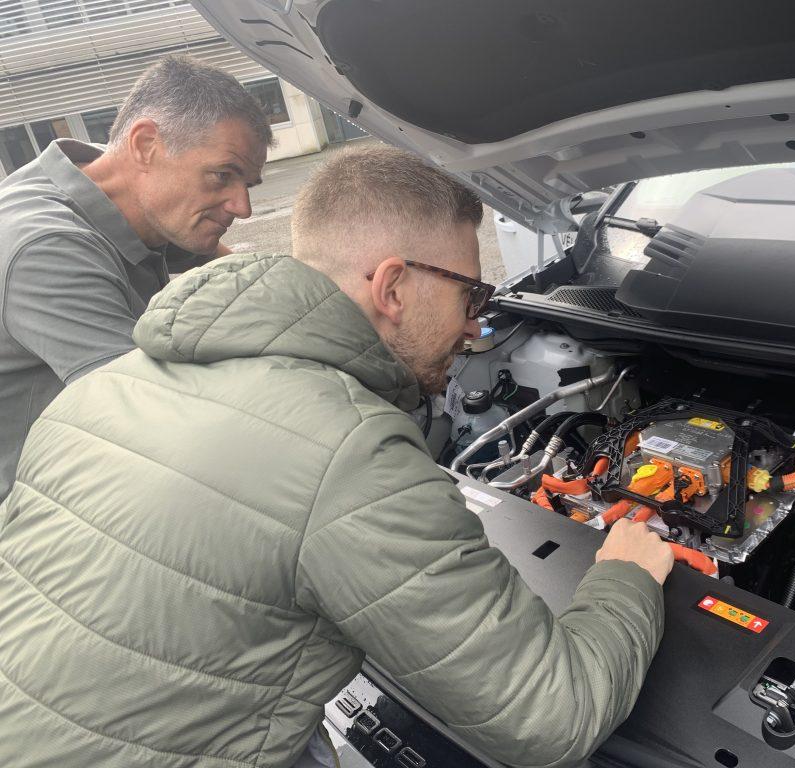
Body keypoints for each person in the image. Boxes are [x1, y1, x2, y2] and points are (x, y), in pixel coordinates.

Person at [0, 146, 672, 768]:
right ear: (391, 288)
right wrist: (623, 574)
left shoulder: (108, 386)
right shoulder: (348, 454)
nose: (477, 325)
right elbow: (553, 714)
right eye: (472, 295)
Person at [0, 54, 271, 501]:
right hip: (26, 518)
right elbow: (152, 415)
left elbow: (242, 274)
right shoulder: (47, 247)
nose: (242, 207)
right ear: (145, 144)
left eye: (248, 185)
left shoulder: (128, 192)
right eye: (223, 175)